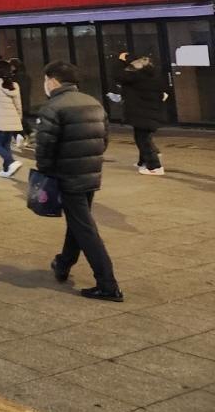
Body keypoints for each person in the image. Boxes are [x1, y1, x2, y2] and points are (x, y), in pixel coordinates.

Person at [36, 60, 122, 301]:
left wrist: (45, 171)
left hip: (67, 175)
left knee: (85, 229)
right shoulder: (93, 103)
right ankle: (63, 262)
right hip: (90, 173)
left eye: (45, 80)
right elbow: (104, 139)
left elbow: (45, 146)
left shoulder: (53, 107)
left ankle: (107, 284)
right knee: (78, 222)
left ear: (52, 80)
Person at [116, 53, 168, 176]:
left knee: (143, 140)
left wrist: (121, 62)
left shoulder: (137, 78)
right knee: (144, 137)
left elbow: (118, 76)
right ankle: (145, 161)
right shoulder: (153, 77)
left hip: (142, 114)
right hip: (149, 113)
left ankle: (154, 166)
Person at [10, 57, 33, 149]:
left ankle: (22, 137)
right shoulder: (27, 77)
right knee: (22, 121)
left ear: (14, 67)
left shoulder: (14, 78)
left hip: (17, 103)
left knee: (16, 122)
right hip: (26, 102)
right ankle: (28, 135)